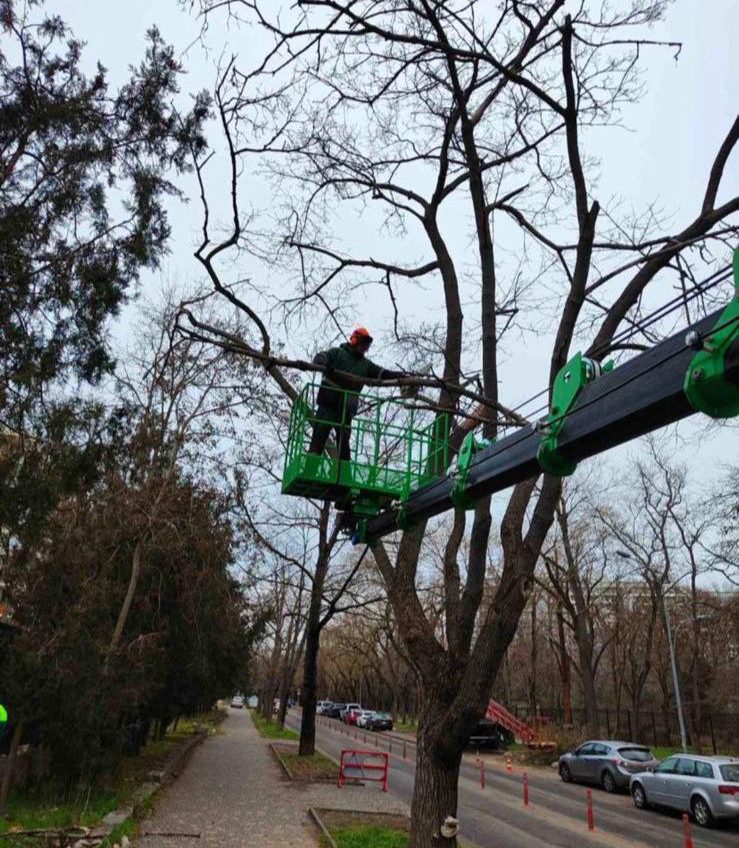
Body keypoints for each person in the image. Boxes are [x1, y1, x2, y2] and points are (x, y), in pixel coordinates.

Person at [307, 327, 408, 463]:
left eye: (366, 346)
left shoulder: (365, 365)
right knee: (319, 437)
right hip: (328, 403)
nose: (364, 348)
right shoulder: (337, 353)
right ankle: (310, 468)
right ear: (355, 341)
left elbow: (383, 374)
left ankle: (343, 476)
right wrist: (324, 364)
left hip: (346, 408)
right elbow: (320, 357)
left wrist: (401, 376)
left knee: (344, 445)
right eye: (363, 344)